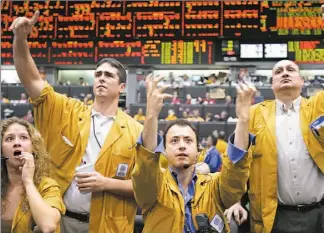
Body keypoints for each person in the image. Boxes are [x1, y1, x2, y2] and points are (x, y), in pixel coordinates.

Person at [10, 11, 143, 233]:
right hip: (62, 221)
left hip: (108, 227)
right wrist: (21, 40)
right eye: (98, 74)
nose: (101, 77)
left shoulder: (136, 130)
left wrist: (106, 183)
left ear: (122, 88)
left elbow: (146, 189)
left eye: (109, 75)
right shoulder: (67, 111)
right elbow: (31, 79)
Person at [132, 74, 256, 233]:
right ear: (164, 151)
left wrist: (243, 119)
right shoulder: (155, 186)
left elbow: (236, 171)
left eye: (188, 141)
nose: (182, 145)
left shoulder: (215, 186)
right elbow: (146, 161)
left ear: (199, 152)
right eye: (174, 141)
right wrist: (151, 115)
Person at [238, 59, 324, 233]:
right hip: (276, 216)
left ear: (301, 80)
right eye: (278, 72)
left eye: (290, 70)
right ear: (272, 85)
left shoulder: (318, 107)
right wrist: (235, 200)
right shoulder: (254, 114)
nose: (284, 73)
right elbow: (238, 160)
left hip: (320, 213)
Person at [1, 117, 65, 233]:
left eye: (23, 138)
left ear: (33, 147)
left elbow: (48, 226)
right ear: (1, 150)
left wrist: (28, 182)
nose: (17, 143)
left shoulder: (48, 186)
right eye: (9, 139)